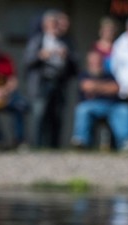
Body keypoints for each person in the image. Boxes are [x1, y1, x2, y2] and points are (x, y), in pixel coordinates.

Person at [23, 9, 77, 149]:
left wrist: (67, 56)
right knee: (40, 114)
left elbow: (75, 66)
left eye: (56, 23)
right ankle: (37, 146)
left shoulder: (66, 41)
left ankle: (55, 146)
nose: (55, 26)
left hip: (59, 83)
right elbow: (27, 61)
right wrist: (41, 56)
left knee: (57, 115)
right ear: (45, 24)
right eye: (52, 23)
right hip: (42, 83)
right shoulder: (38, 40)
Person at [70, 48, 128, 152]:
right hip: (91, 106)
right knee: (82, 109)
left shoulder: (109, 75)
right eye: (94, 60)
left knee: (125, 109)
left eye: (98, 60)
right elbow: (86, 86)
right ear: (89, 62)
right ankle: (81, 141)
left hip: (112, 106)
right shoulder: (83, 74)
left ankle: (125, 142)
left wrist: (96, 87)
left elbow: (116, 88)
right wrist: (106, 87)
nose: (96, 62)